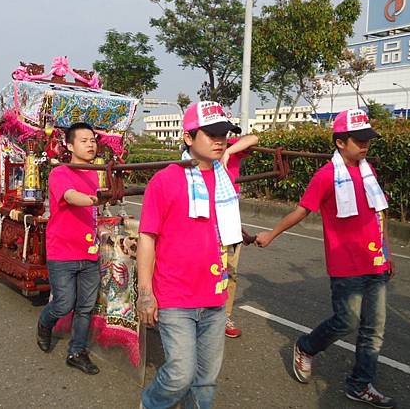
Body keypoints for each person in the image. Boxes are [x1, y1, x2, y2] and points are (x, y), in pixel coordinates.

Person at [255, 109, 395, 408]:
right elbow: (302, 210)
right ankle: (306, 346)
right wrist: (271, 234)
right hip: (346, 265)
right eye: (359, 140)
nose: (365, 145)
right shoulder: (327, 176)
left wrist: (387, 252)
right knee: (347, 321)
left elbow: (379, 213)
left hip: (376, 262)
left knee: (374, 329)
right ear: (341, 143)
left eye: (367, 140)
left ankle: (359, 385)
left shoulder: (368, 172)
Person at [138, 101, 243, 409]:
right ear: (188, 137)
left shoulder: (225, 181)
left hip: (213, 296)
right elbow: (147, 237)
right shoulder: (166, 180)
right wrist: (145, 292)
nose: (219, 140)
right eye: (210, 133)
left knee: (207, 378)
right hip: (175, 296)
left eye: (223, 133)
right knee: (180, 375)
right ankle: (150, 402)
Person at [36, 122, 104, 375]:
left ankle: (77, 352)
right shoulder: (60, 172)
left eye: (93, 140)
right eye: (84, 140)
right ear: (69, 145)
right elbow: (70, 197)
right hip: (62, 252)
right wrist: (95, 199)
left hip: (89, 251)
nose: (90, 145)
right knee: (64, 304)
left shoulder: (94, 172)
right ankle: (45, 323)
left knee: (85, 307)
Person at [220, 134, 259, 338]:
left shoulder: (229, 149)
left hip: (230, 217)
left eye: (223, 132)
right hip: (206, 217)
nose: (219, 137)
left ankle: (224, 315)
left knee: (230, 271)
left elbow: (254, 138)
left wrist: (229, 151)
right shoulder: (198, 153)